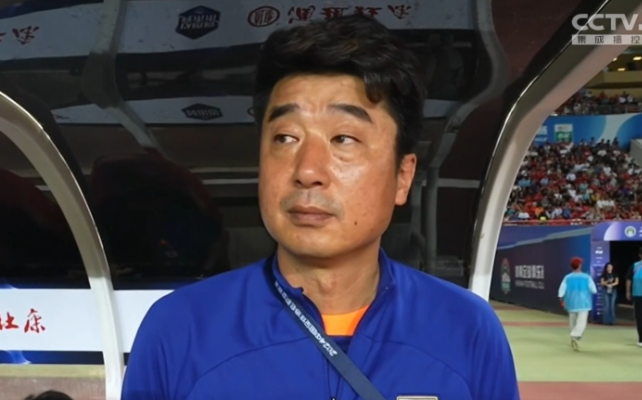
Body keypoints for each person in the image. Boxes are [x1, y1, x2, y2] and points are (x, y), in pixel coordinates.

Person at [122, 15, 519, 400]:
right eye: (285, 138)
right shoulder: (178, 329)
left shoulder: (467, 329)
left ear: (402, 176)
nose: (307, 171)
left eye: (343, 138)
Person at [558, 257, 597, 351]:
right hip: (584, 303)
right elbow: (594, 290)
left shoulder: (567, 277)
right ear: (579, 265)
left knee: (572, 322)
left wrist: (561, 298)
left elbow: (562, 289)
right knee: (581, 322)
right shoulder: (587, 277)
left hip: (570, 303)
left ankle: (573, 339)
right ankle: (575, 335)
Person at [626, 247, 642, 347]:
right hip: (638, 295)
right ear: (640, 255)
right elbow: (629, 279)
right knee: (639, 317)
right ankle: (641, 339)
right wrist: (628, 292)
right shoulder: (635, 266)